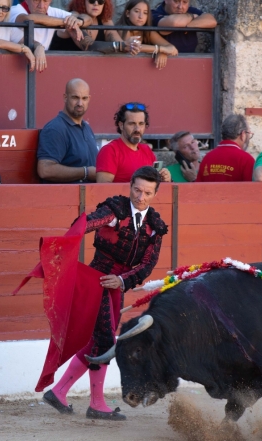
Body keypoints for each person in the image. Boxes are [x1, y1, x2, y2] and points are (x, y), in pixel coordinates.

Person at [43, 165, 168, 421]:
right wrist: (71, 238)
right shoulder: (115, 211)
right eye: (136, 190)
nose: (140, 197)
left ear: (155, 194)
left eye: (146, 192)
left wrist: (122, 280)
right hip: (96, 282)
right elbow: (89, 223)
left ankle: (59, 391)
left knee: (98, 340)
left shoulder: (154, 226)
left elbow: (147, 264)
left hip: (116, 286)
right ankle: (97, 404)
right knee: (105, 341)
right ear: (130, 185)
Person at [37, 78, 98, 183]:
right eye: (75, 97)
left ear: (89, 99)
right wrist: (85, 172)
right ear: (65, 98)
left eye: (84, 98)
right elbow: (45, 170)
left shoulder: (87, 128)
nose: (80, 103)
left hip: (89, 196)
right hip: (64, 197)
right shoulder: (55, 128)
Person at [96, 103, 171, 183]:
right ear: (121, 125)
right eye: (132, 124)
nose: (137, 129)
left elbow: (153, 186)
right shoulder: (110, 151)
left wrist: (165, 179)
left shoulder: (147, 151)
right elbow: (103, 190)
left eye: (141, 124)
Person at [9, 0, 91, 56]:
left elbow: (88, 19)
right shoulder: (15, 9)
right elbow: (28, 19)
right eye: (36, 0)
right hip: (13, 64)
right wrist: (65, 22)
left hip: (41, 63)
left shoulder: (52, 11)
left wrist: (79, 21)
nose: (41, 6)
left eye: (45, 1)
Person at [49, 0, 132, 54]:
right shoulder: (74, 18)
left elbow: (120, 43)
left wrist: (131, 45)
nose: (96, 4)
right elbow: (89, 46)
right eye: (91, 0)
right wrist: (120, 46)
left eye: (100, 1)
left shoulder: (105, 21)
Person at [116, 0, 178, 69]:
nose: (141, 16)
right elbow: (134, 46)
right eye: (137, 11)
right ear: (127, 13)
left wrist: (162, 52)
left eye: (145, 13)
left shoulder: (147, 31)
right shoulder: (121, 29)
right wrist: (161, 49)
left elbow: (171, 48)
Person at [197, 114, 255, 182]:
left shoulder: (207, 158)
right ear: (243, 135)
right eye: (248, 133)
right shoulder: (246, 160)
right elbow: (252, 190)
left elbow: (198, 189)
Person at [151, 0, 216, 53]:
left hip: (190, 61)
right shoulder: (154, 14)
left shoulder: (190, 10)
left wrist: (187, 25)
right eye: (176, 1)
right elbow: (175, 22)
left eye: (185, 2)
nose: (180, 7)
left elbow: (212, 21)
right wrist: (192, 16)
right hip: (161, 63)